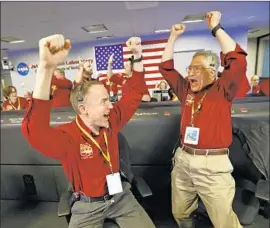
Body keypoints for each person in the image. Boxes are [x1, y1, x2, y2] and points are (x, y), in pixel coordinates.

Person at [21, 34, 155, 228]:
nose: (111, 106)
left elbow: (135, 92)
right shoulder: (68, 137)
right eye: (104, 102)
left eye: (109, 99)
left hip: (121, 198)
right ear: (84, 109)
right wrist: (46, 68)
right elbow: (35, 131)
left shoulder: (111, 120)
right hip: (87, 206)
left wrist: (137, 55)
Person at [159, 11, 246, 228]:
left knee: (224, 222)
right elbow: (166, 68)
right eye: (189, 68)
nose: (190, 74)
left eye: (196, 69)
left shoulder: (224, 88)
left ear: (212, 70)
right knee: (180, 213)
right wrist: (172, 37)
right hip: (183, 160)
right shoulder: (186, 89)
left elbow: (238, 60)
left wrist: (215, 27)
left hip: (213, 166)